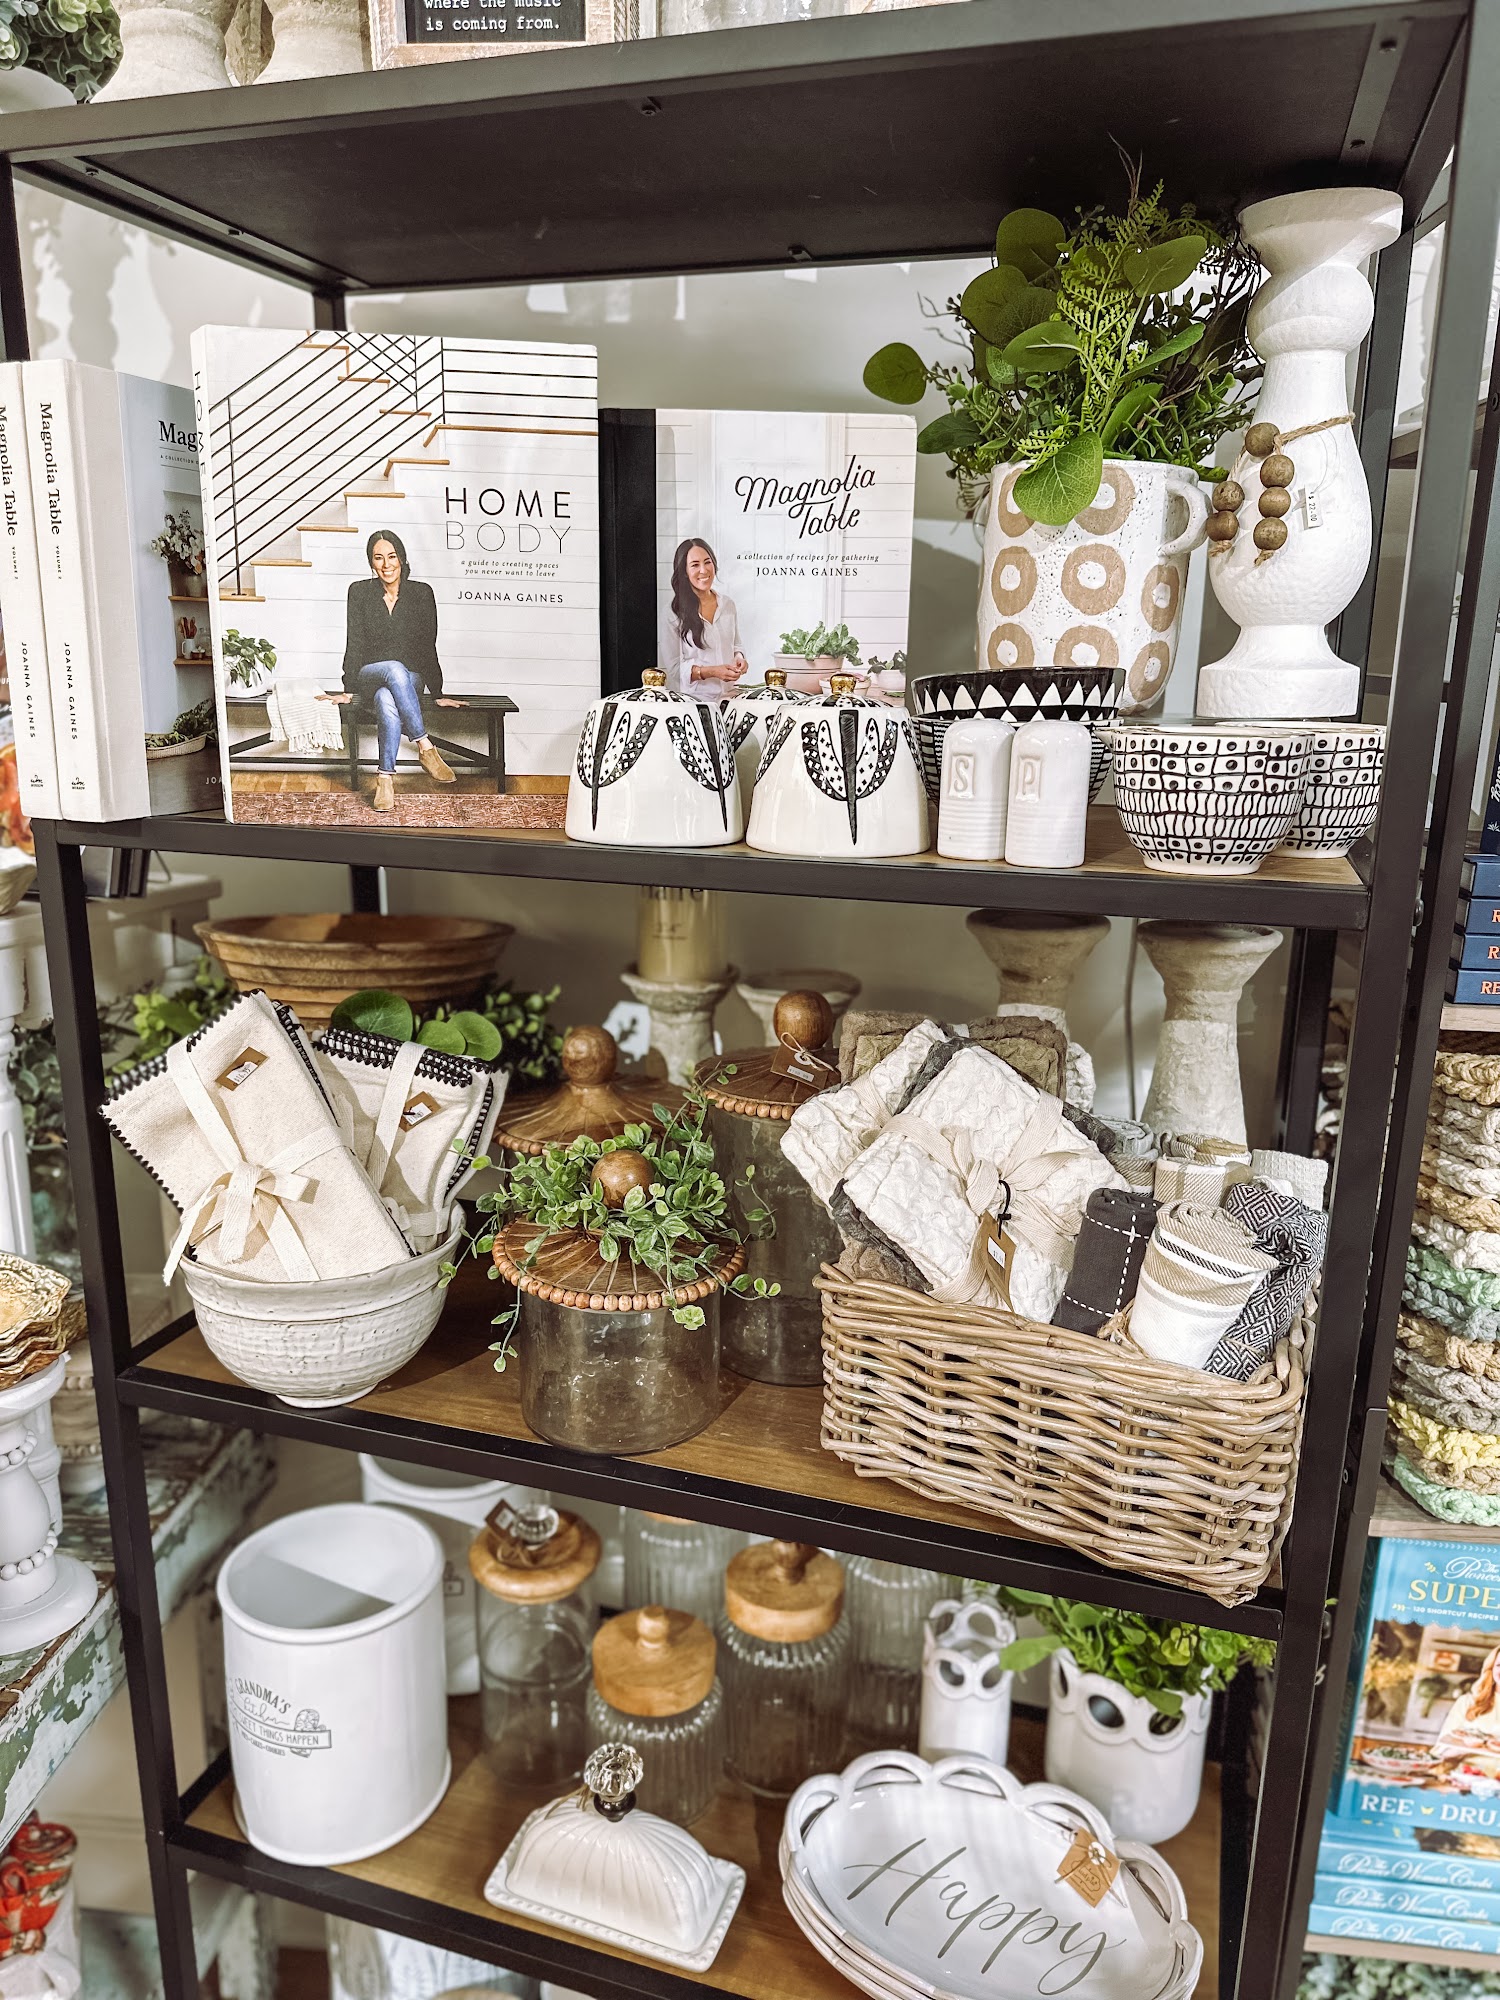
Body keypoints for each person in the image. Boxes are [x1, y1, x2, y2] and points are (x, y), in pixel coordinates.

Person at [319, 530, 466, 812]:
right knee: (393, 669)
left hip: (409, 679)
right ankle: (425, 746)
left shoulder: (422, 593)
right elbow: (354, 641)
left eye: (392, 556)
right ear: (371, 562)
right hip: (370, 674)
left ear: (402, 559)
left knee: (387, 697)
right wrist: (348, 690)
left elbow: (427, 644)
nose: (386, 565)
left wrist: (437, 692)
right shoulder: (359, 592)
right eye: (378, 558)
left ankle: (384, 779)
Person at [659, 538, 748, 703]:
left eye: (707, 562)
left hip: (729, 699)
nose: (703, 570)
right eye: (695, 565)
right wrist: (712, 672)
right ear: (684, 571)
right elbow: (674, 669)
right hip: (694, 702)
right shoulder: (672, 613)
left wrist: (739, 658)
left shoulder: (727, 604)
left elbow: (736, 644)